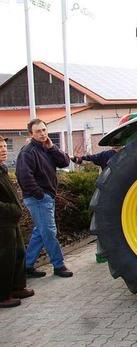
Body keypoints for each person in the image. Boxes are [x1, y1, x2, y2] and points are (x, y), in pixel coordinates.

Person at [16, 119, 73, 278]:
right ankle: (59, 265)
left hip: (47, 197)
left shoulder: (47, 148)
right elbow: (23, 176)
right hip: (38, 199)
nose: (42, 134)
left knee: (40, 232)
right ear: (31, 134)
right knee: (49, 231)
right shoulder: (28, 152)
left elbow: (65, 162)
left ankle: (26, 266)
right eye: (38, 131)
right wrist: (40, 194)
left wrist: (52, 147)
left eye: (44, 130)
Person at [0, 136, 35, 308]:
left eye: (5, 146)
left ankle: (16, 287)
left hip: (10, 221)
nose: (4, 149)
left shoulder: (2, 169)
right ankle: (2, 295)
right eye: (0, 147)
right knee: (4, 258)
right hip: (2, 222)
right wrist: (11, 209)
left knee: (18, 253)